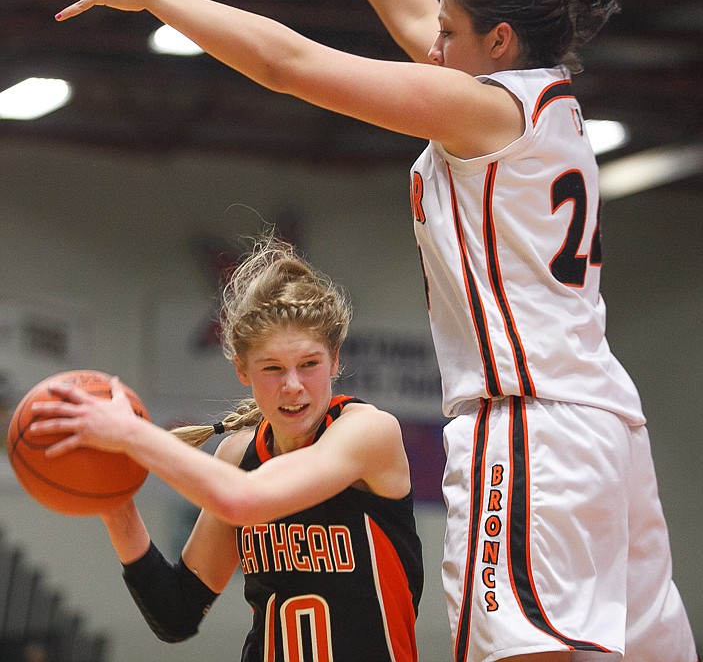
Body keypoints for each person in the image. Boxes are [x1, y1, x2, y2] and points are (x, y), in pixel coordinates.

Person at [40, 0, 698, 659]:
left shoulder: (482, 108)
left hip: (527, 427)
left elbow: (289, 65)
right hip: (604, 428)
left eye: (448, 34)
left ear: (499, 41)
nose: (431, 42)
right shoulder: (544, 104)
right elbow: (414, 13)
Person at [31, 235, 423, 662]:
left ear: (335, 360)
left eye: (309, 364)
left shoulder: (369, 432)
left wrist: (131, 435)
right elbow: (176, 614)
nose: (293, 386)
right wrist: (112, 497)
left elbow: (244, 499)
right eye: (272, 368)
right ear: (242, 370)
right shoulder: (238, 455)